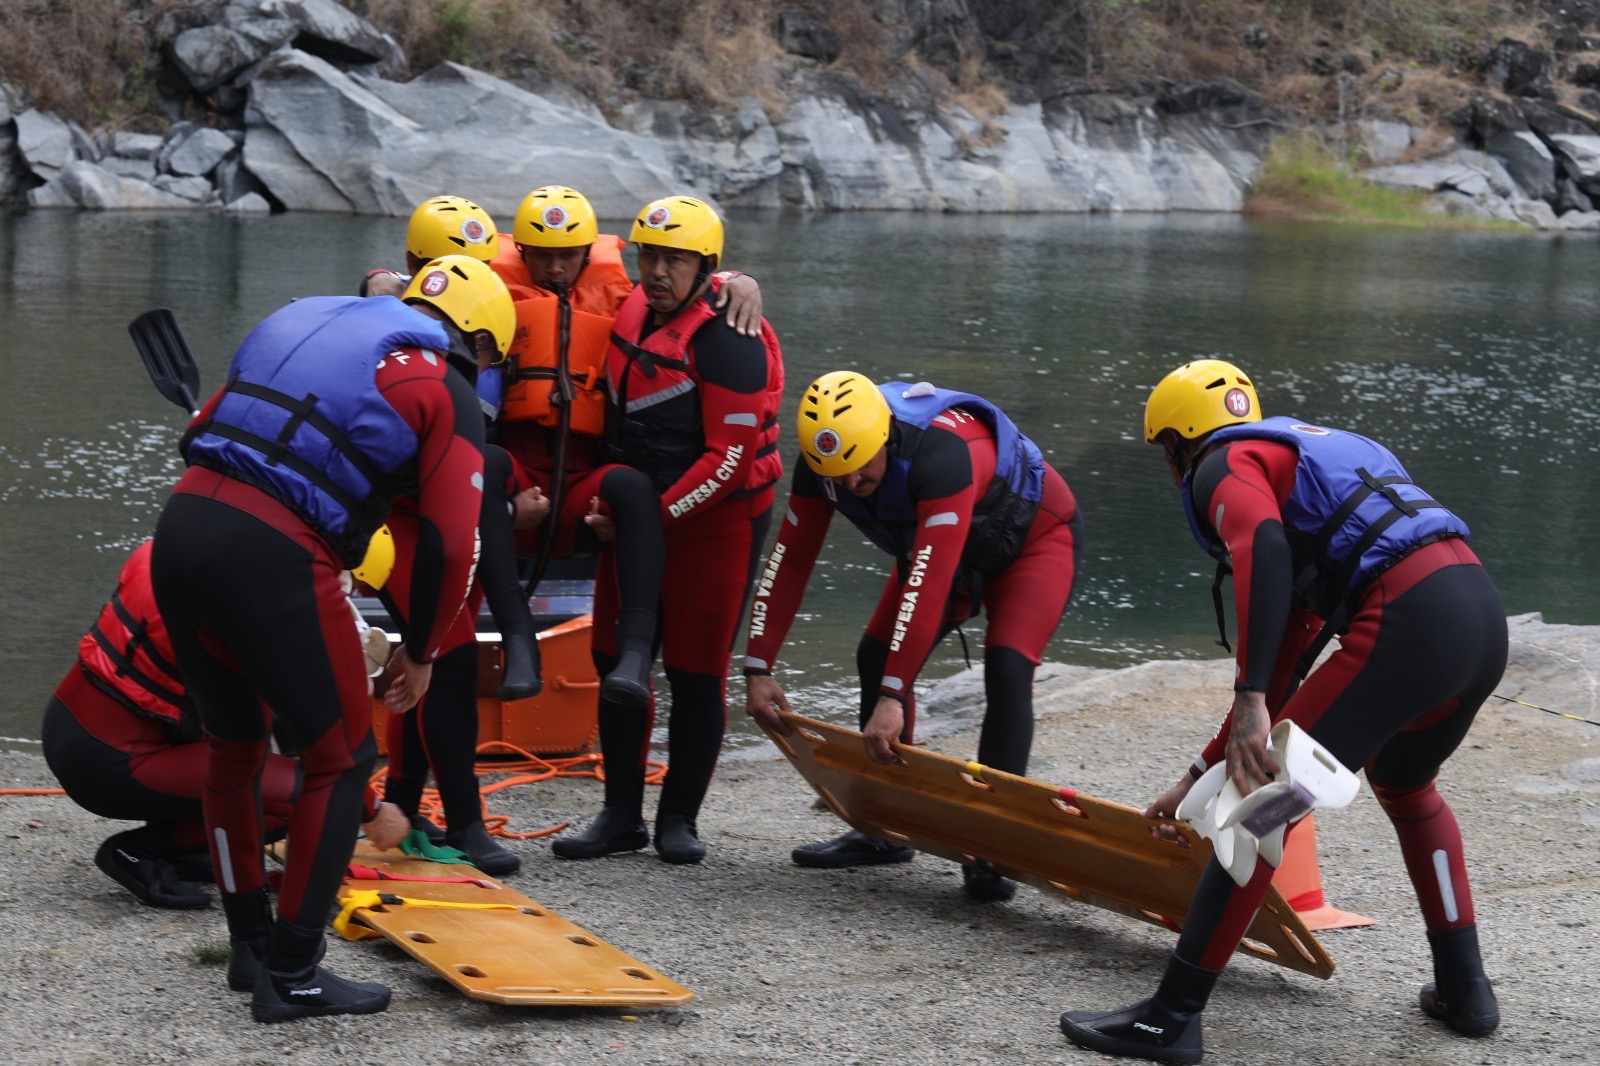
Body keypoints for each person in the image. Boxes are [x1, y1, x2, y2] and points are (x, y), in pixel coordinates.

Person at [1060, 360, 1506, 1062]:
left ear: (1179, 445)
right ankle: (1466, 990)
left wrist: (1246, 702)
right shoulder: (1302, 460)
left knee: (1259, 808)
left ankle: (1171, 1019)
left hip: (1409, 619)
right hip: (1479, 614)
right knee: (1406, 786)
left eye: (1166, 458)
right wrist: (1201, 766)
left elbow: (1261, 550)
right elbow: (1288, 654)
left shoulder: (1221, 463)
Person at [149, 256, 510, 1022]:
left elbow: (203, 427)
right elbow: (453, 539)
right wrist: (423, 645)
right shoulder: (447, 384)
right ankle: (296, 972)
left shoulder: (309, 315)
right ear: (478, 347)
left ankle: (249, 947)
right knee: (341, 760)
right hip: (273, 553)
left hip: (179, 531)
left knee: (234, 748)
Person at [745, 372, 1083, 901]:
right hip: (944, 549)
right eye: (839, 475)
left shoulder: (939, 455)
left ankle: (993, 846)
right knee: (874, 653)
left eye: (863, 470)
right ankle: (884, 828)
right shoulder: (824, 467)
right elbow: (788, 562)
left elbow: (928, 585)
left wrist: (893, 696)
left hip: (1032, 542)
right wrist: (758, 666)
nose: (852, 483)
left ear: (884, 437)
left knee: (1007, 668)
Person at [554, 194, 783, 865]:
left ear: (704, 267)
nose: (655, 272)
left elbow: (728, 461)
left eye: (672, 260)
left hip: (718, 519)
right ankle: (620, 815)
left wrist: (644, 525)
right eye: (648, 255)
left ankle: (678, 819)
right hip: (643, 510)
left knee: (695, 671)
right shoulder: (631, 304)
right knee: (610, 658)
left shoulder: (731, 342)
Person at [485, 184, 765, 712]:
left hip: (586, 497)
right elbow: (428, 279)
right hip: (521, 483)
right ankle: (518, 642)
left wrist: (739, 279)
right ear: (520, 251)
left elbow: (693, 278)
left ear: (589, 253)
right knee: (482, 463)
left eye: (568, 255)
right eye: (542, 255)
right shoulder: (487, 286)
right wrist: (380, 279)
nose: (556, 269)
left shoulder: (624, 295)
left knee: (633, 486)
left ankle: (636, 653)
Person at [44, 541, 407, 913]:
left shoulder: (195, 555)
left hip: (78, 724)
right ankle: (135, 852)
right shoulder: (261, 611)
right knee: (310, 797)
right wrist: (373, 809)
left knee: (258, 759)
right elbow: (323, 751)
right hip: (113, 761)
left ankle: (178, 849)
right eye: (346, 587)